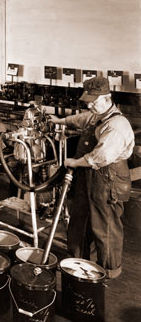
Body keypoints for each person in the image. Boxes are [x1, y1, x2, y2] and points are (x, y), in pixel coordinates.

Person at [50, 76, 134, 279]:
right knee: (80, 221)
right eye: (88, 101)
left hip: (108, 179)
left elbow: (100, 158)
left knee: (105, 227)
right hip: (88, 177)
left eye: (93, 101)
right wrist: (59, 120)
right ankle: (76, 262)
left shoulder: (116, 125)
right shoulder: (96, 115)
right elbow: (80, 119)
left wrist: (73, 163)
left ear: (108, 98)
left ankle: (108, 271)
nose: (90, 105)